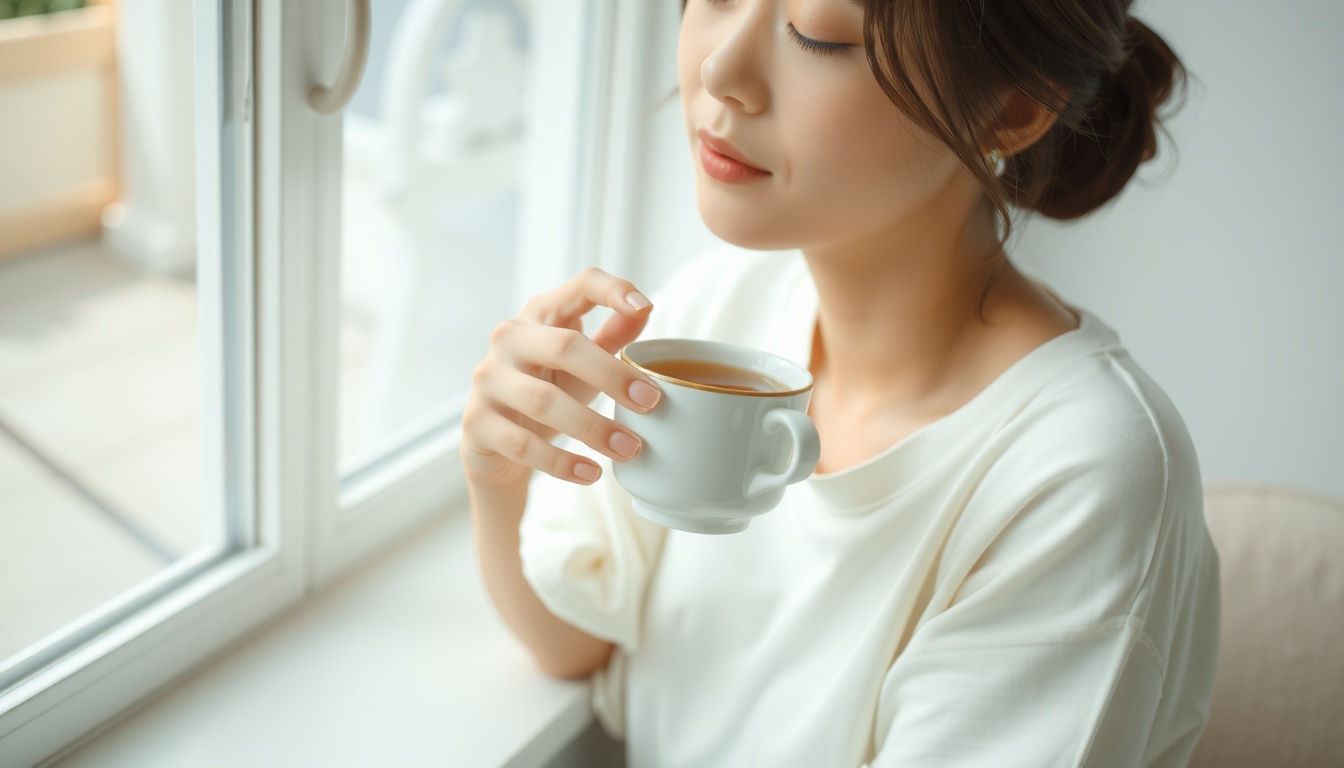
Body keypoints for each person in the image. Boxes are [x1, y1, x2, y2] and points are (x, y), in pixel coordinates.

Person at [461, 0, 1221, 765]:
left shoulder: (1083, 473)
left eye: (818, 35)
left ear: (1013, 110)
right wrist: (497, 476)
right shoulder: (719, 314)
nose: (722, 73)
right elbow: (579, 643)